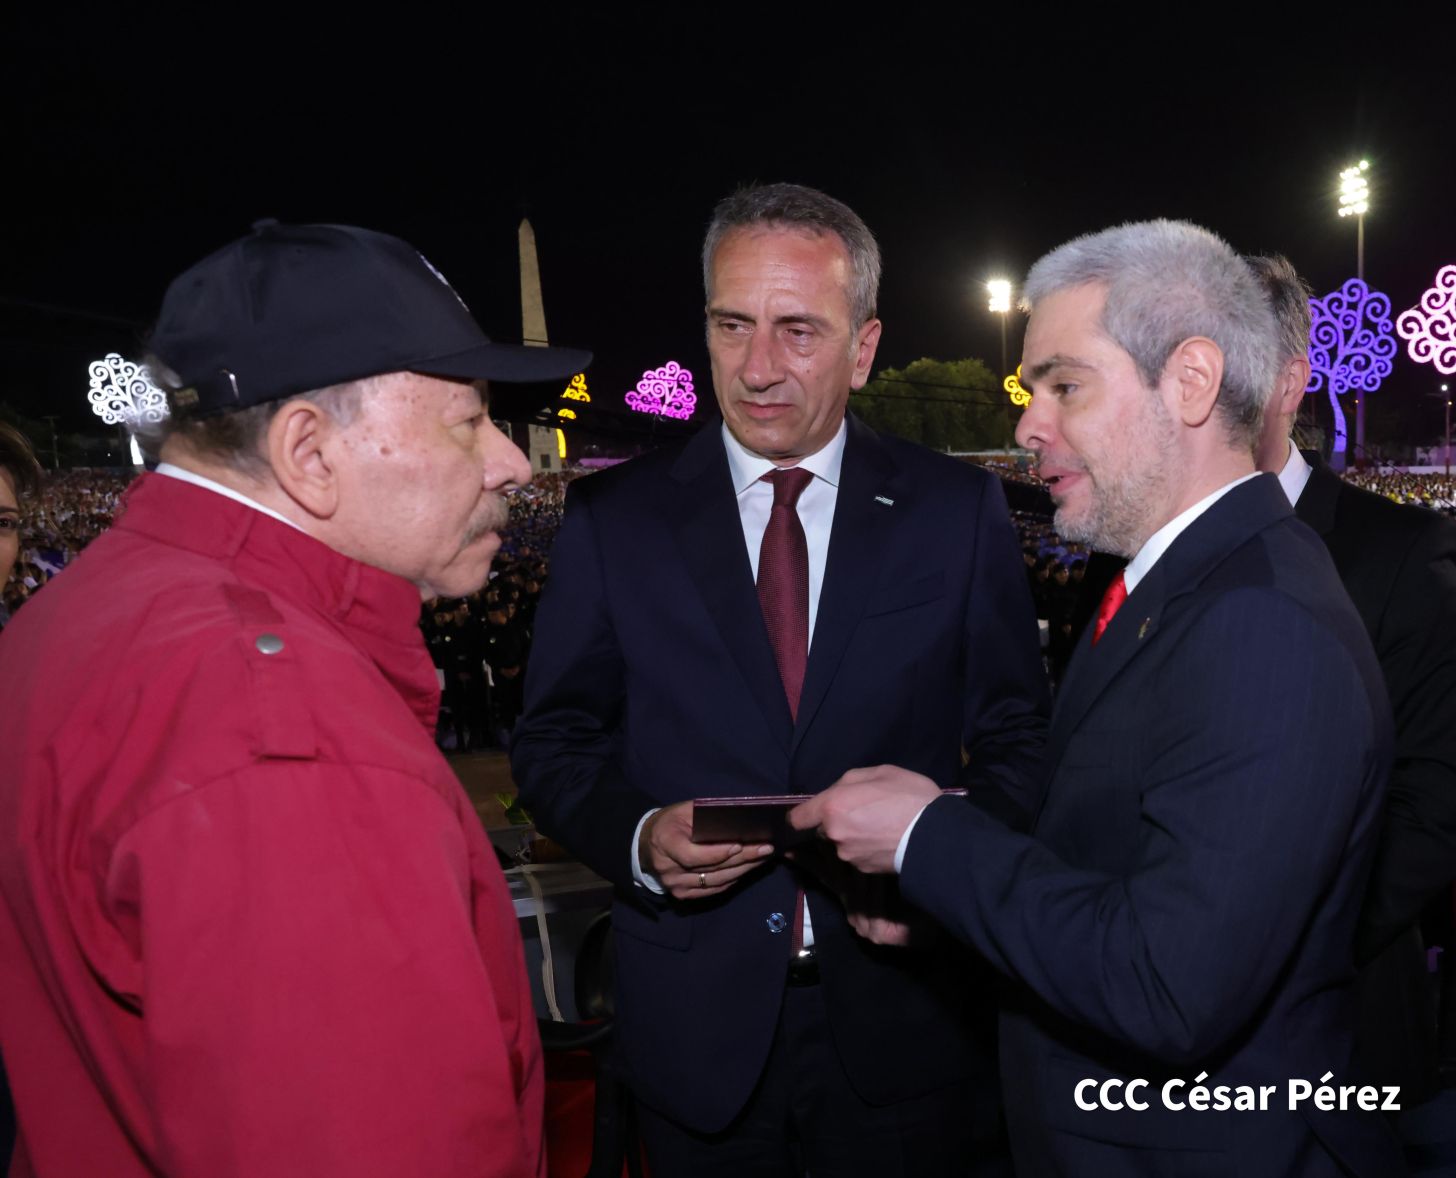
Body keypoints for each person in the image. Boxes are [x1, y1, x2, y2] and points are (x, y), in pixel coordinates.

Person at [794, 220, 1401, 1175]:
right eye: (1034, 390)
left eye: (1065, 385)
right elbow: (1106, 865)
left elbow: (1168, 984)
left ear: (1191, 382)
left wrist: (928, 840)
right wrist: (949, 894)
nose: (1028, 424)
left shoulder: (1260, 624)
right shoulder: (1176, 587)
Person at [0, 221, 589, 1177]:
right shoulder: (290, 739)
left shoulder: (79, 614)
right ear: (309, 452)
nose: (512, 463)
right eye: (469, 419)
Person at [511, 183, 1049, 1176]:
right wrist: (636, 833)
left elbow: (1020, 738)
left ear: (864, 346)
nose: (758, 368)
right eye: (732, 324)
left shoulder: (953, 511)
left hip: (912, 1024)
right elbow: (553, 740)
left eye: (798, 330)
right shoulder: (613, 522)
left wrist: (941, 860)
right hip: (692, 1043)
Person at [1250, 253, 1456, 1109]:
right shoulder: (1126, 558)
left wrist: (1260, 953)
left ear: (1291, 384)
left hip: (1339, 1027)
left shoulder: (1400, 554)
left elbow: (1433, 804)